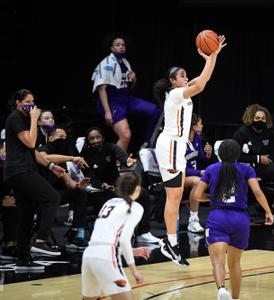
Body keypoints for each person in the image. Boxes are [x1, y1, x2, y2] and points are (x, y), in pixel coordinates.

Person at [153, 34, 226, 267]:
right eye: (182, 75)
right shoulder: (175, 94)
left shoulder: (182, 89)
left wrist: (213, 57)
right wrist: (211, 56)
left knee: (174, 196)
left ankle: (170, 242)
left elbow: (204, 81)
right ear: (172, 81)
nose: (186, 77)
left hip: (175, 146)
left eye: (185, 74)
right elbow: (202, 84)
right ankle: (170, 243)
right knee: (173, 197)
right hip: (171, 145)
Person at [193, 139, 274, 300]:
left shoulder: (211, 169)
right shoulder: (246, 169)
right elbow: (257, 192)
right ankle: (236, 298)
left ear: (220, 153)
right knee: (235, 264)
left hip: (219, 216)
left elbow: (196, 195)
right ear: (238, 154)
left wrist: (211, 197)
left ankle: (222, 290)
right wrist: (268, 211)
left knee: (218, 261)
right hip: (241, 219)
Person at [4, 89, 65, 270]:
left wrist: (51, 166)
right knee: (53, 197)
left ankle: (23, 258)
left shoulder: (23, 120)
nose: (32, 104)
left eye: (33, 101)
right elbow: (31, 143)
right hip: (19, 171)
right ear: (18, 102)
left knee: (26, 215)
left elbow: (33, 152)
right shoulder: (15, 118)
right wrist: (33, 120)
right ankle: (40, 242)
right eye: (28, 101)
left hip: (25, 169)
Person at [81, 172, 150, 300]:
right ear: (138, 189)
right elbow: (123, 240)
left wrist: (133, 251)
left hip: (89, 254)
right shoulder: (136, 207)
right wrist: (134, 271)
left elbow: (104, 240)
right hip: (106, 256)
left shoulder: (109, 202)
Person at [91, 33, 161, 152]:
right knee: (125, 135)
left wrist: (133, 79)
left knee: (156, 111)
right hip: (111, 101)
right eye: (117, 45)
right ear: (112, 48)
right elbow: (101, 89)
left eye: (123, 45)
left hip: (125, 98)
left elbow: (129, 85)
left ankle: (147, 144)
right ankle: (115, 164)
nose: (121, 47)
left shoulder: (124, 62)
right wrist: (107, 112)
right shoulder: (106, 64)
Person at [232, 104, 274, 220]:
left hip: (262, 168)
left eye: (263, 119)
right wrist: (258, 159)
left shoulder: (269, 133)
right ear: (251, 118)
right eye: (257, 118)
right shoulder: (241, 133)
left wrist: (261, 161)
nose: (260, 121)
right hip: (244, 168)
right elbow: (236, 156)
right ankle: (243, 211)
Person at [185, 113, 212, 233]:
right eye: (200, 123)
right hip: (179, 176)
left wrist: (208, 153)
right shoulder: (180, 142)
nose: (202, 125)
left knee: (214, 177)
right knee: (198, 181)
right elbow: (179, 168)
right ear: (194, 127)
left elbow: (201, 157)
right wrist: (199, 172)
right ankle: (193, 220)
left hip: (194, 174)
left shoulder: (197, 137)